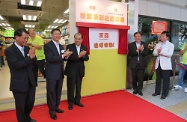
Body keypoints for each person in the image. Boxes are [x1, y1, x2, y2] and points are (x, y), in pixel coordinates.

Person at [5, 28, 37, 122]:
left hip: (30, 81)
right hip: (19, 82)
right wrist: (29, 57)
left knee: (30, 102)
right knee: (20, 105)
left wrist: (33, 57)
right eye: (24, 38)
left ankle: (27, 117)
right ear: (17, 37)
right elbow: (16, 65)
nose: (26, 40)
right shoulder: (9, 51)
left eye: (27, 38)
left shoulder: (27, 48)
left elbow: (33, 64)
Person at [44, 28, 72, 120]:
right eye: (56, 34)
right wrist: (63, 56)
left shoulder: (60, 46)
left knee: (58, 91)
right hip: (51, 73)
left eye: (59, 34)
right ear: (52, 35)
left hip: (60, 72)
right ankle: (51, 110)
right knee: (51, 92)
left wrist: (66, 57)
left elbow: (61, 58)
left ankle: (56, 106)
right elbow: (50, 59)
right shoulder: (47, 46)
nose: (58, 36)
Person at [65, 33, 89, 110]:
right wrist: (79, 56)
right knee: (71, 87)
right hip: (71, 70)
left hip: (80, 70)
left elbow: (87, 58)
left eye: (79, 39)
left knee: (78, 87)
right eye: (76, 38)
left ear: (82, 40)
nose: (77, 40)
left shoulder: (84, 47)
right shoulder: (69, 47)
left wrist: (84, 55)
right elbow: (69, 58)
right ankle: (70, 102)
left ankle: (77, 101)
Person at [152, 31, 174, 99]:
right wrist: (158, 53)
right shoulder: (158, 44)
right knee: (158, 79)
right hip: (158, 64)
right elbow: (154, 53)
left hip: (166, 65)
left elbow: (170, 54)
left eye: (163, 36)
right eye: (161, 36)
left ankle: (164, 93)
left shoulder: (171, 45)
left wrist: (161, 52)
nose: (162, 37)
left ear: (167, 37)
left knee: (166, 80)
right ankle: (157, 91)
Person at [128, 32, 148, 96]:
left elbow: (146, 54)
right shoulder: (131, 45)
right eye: (136, 36)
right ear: (134, 37)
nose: (137, 37)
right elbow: (130, 54)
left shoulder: (144, 44)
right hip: (134, 64)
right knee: (134, 78)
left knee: (140, 78)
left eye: (139, 36)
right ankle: (135, 89)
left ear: (141, 37)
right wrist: (137, 50)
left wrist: (142, 50)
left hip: (141, 64)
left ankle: (139, 90)